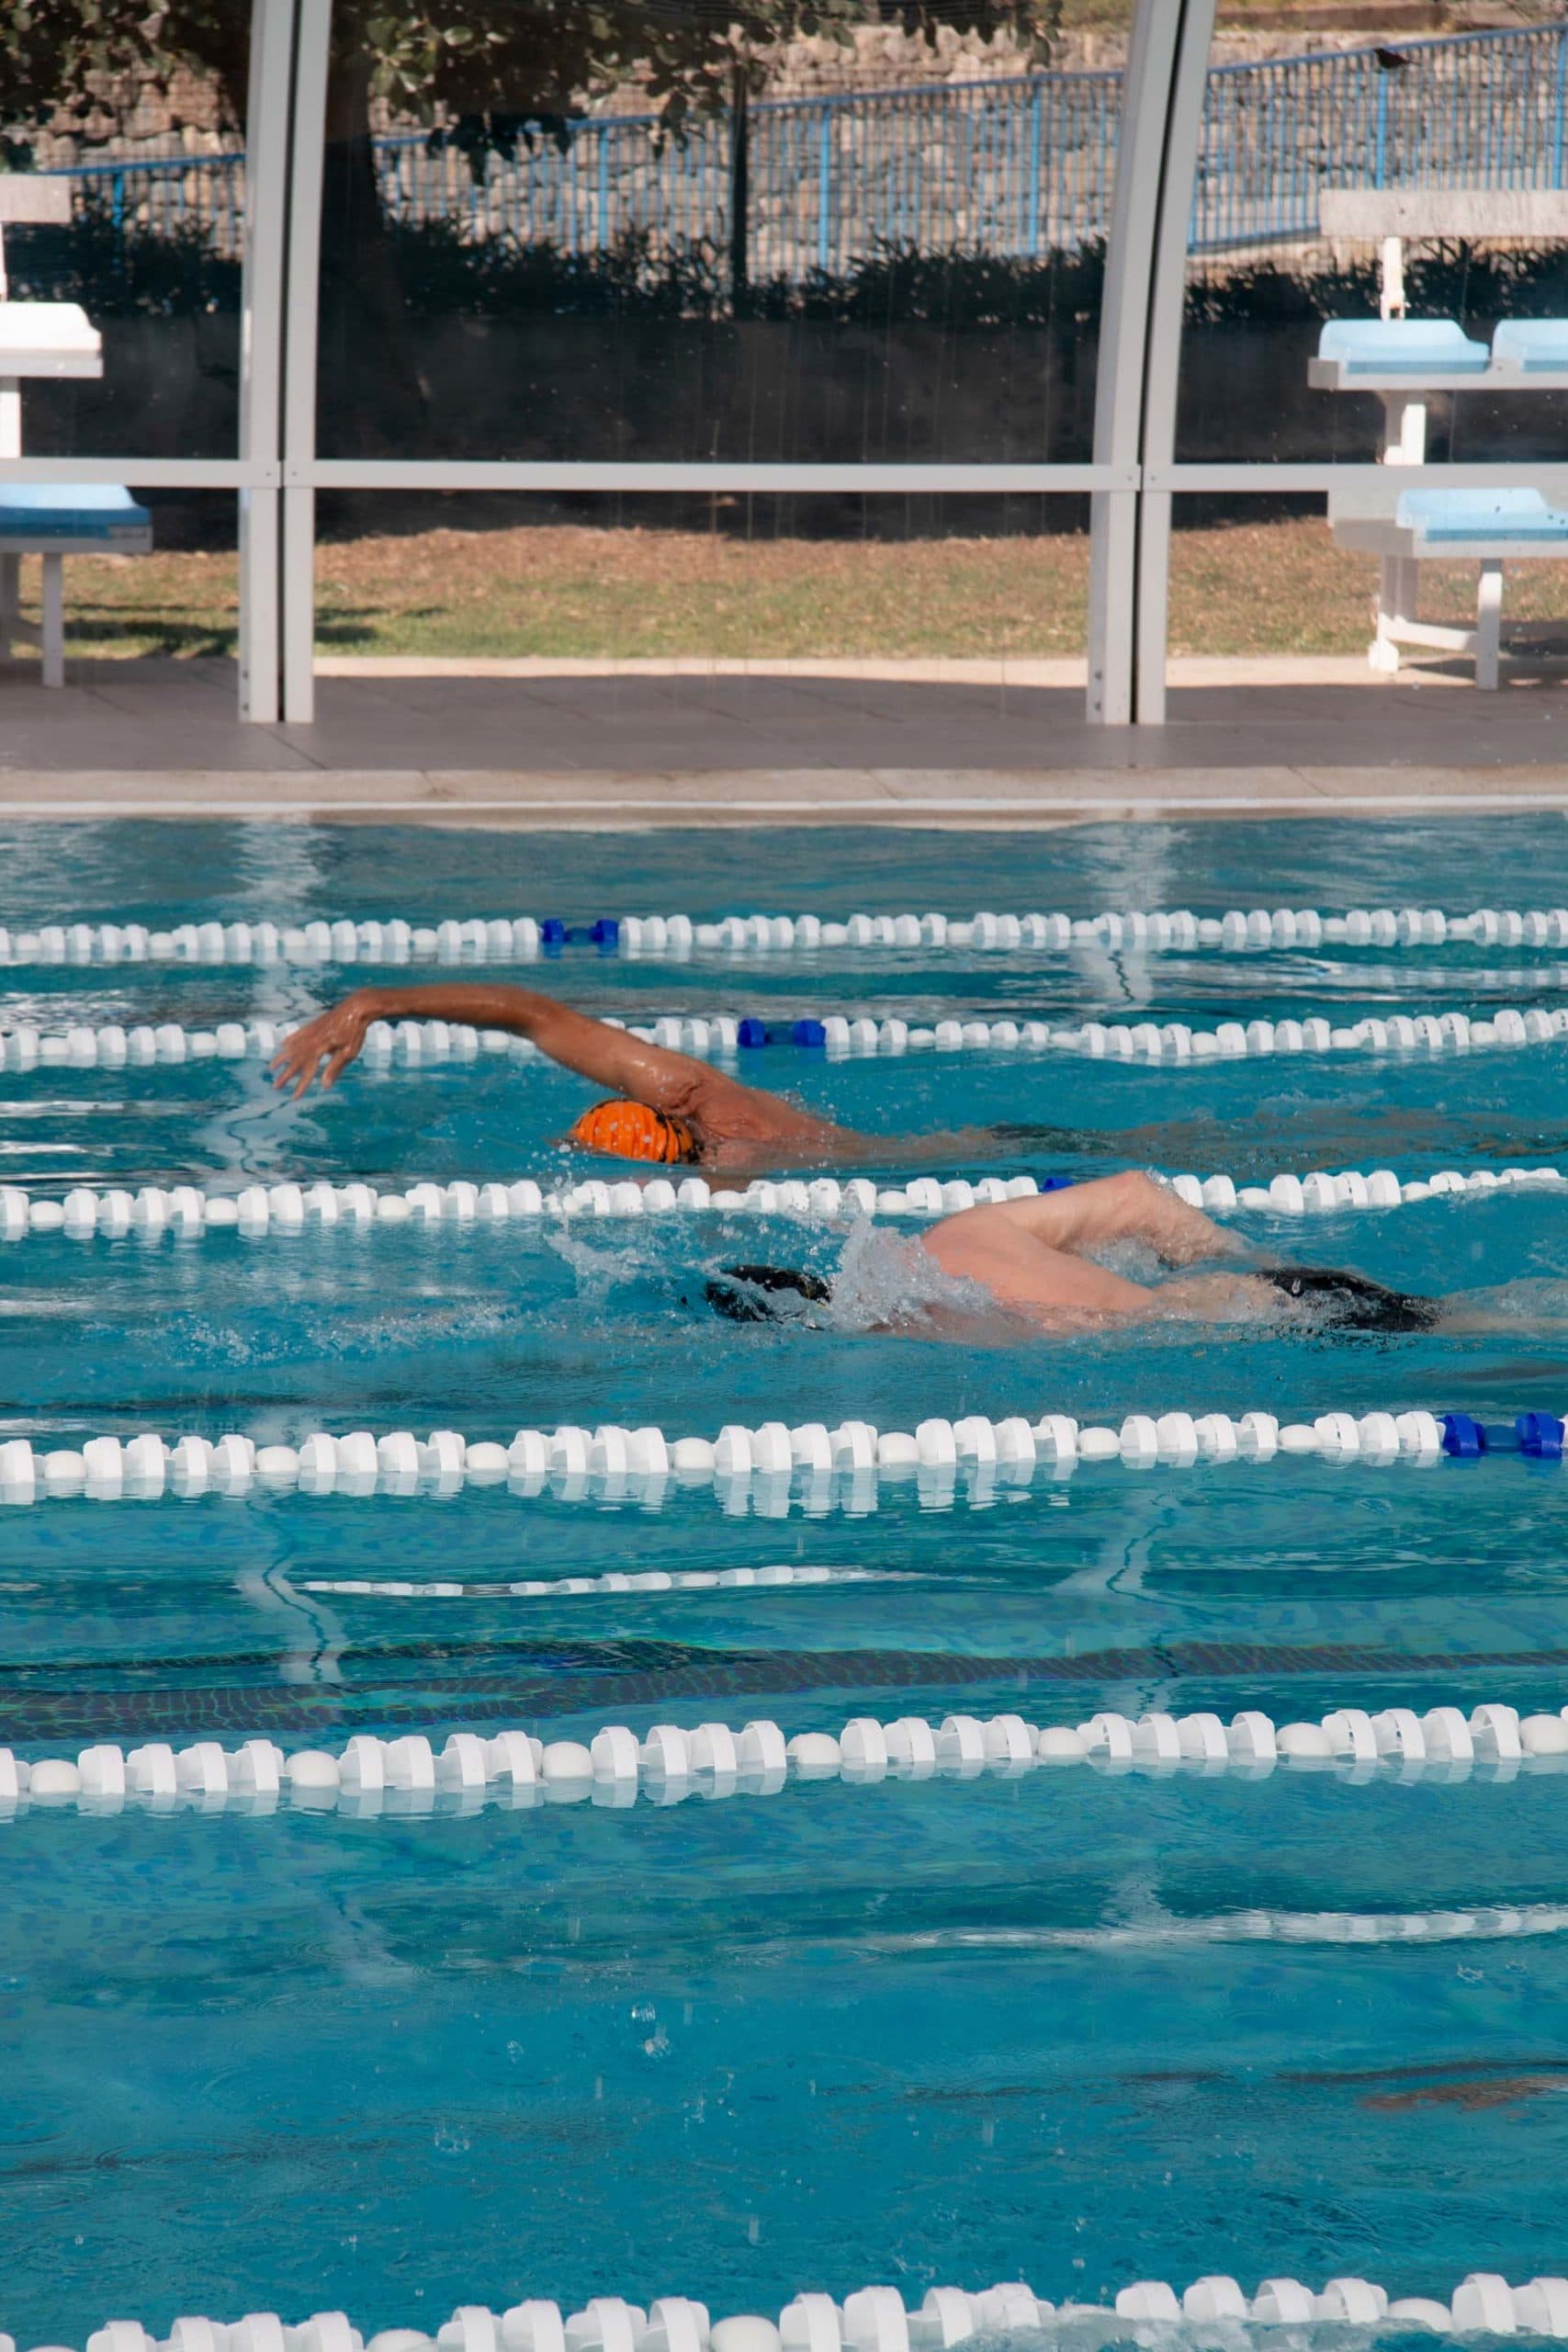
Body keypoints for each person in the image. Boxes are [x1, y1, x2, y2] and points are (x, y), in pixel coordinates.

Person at [272, 979, 1032, 1171]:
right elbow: (533, 1014)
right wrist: (375, 1004)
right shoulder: (670, 1087)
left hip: (951, 1155)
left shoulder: (733, 1147)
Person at [705, 1170, 1441, 1338]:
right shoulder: (956, 1236)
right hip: (1279, 1292)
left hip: (1292, 1322)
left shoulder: (925, 1327)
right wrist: (1241, 1254)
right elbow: (1132, 1195)